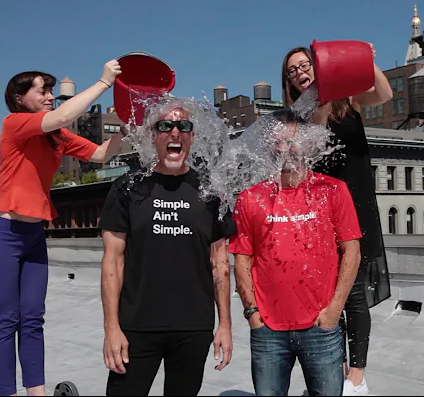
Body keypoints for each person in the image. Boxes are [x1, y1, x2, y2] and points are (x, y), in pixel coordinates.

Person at [0, 60, 126, 396]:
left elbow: (101, 154)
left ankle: (37, 393)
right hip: (0, 235)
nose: (50, 96)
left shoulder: (56, 136)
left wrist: (125, 133)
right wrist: (103, 82)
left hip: (32, 237)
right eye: (42, 90)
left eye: (51, 91)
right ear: (19, 97)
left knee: (32, 321)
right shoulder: (14, 123)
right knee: (5, 323)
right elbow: (60, 115)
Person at [98, 101, 236, 396]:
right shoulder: (128, 188)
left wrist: (225, 324)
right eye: (165, 126)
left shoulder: (211, 190)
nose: (175, 132)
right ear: (152, 136)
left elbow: (220, 263)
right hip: (136, 326)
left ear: (192, 136)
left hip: (193, 328)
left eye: (183, 126)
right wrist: (112, 328)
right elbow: (113, 262)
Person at [280, 44, 393, 396]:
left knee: (354, 294)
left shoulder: (348, 98)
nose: (300, 73)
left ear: (318, 65)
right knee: (330, 296)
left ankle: (356, 377)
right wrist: (316, 109)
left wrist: (368, 61)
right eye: (292, 71)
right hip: (322, 213)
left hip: (356, 206)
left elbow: (385, 94)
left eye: (304, 65)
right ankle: (338, 370)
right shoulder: (296, 118)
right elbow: (306, 154)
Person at [230, 109, 362, 396]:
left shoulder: (333, 190)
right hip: (268, 331)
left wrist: (334, 311)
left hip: (321, 327)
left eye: (293, 140)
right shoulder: (250, 198)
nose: (286, 148)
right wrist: (252, 313)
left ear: (308, 143)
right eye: (278, 141)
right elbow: (242, 257)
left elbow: (352, 251)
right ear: (269, 146)